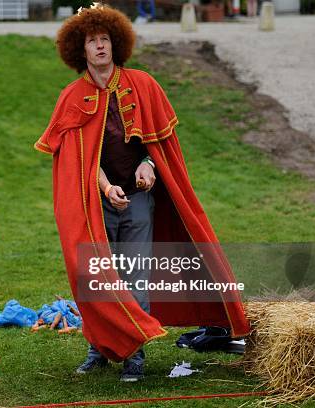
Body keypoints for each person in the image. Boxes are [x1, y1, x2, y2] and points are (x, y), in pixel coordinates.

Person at [34, 4, 250, 382]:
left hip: (139, 200)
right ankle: (98, 349)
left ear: (116, 44)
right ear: (79, 51)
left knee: (136, 278)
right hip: (94, 204)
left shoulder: (144, 84)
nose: (100, 47)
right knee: (97, 278)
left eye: (105, 40)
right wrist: (104, 186)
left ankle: (134, 355)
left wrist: (148, 163)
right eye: (92, 42)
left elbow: (161, 145)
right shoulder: (71, 97)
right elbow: (76, 161)